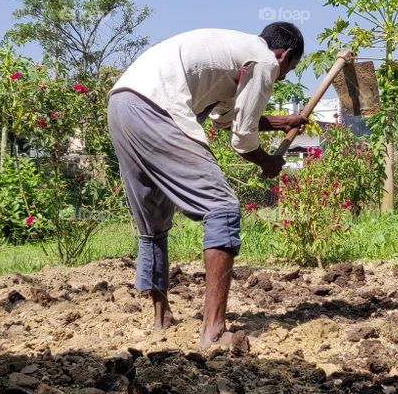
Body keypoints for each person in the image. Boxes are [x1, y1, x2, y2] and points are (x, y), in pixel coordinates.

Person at [108, 22, 307, 350]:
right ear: (283, 55)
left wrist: (281, 123)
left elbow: (227, 121)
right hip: (157, 107)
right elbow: (242, 140)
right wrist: (266, 162)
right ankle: (213, 332)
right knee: (222, 207)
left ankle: (162, 318)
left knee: (153, 219)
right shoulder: (265, 61)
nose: (282, 76)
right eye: (290, 68)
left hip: (122, 105)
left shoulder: (234, 54)